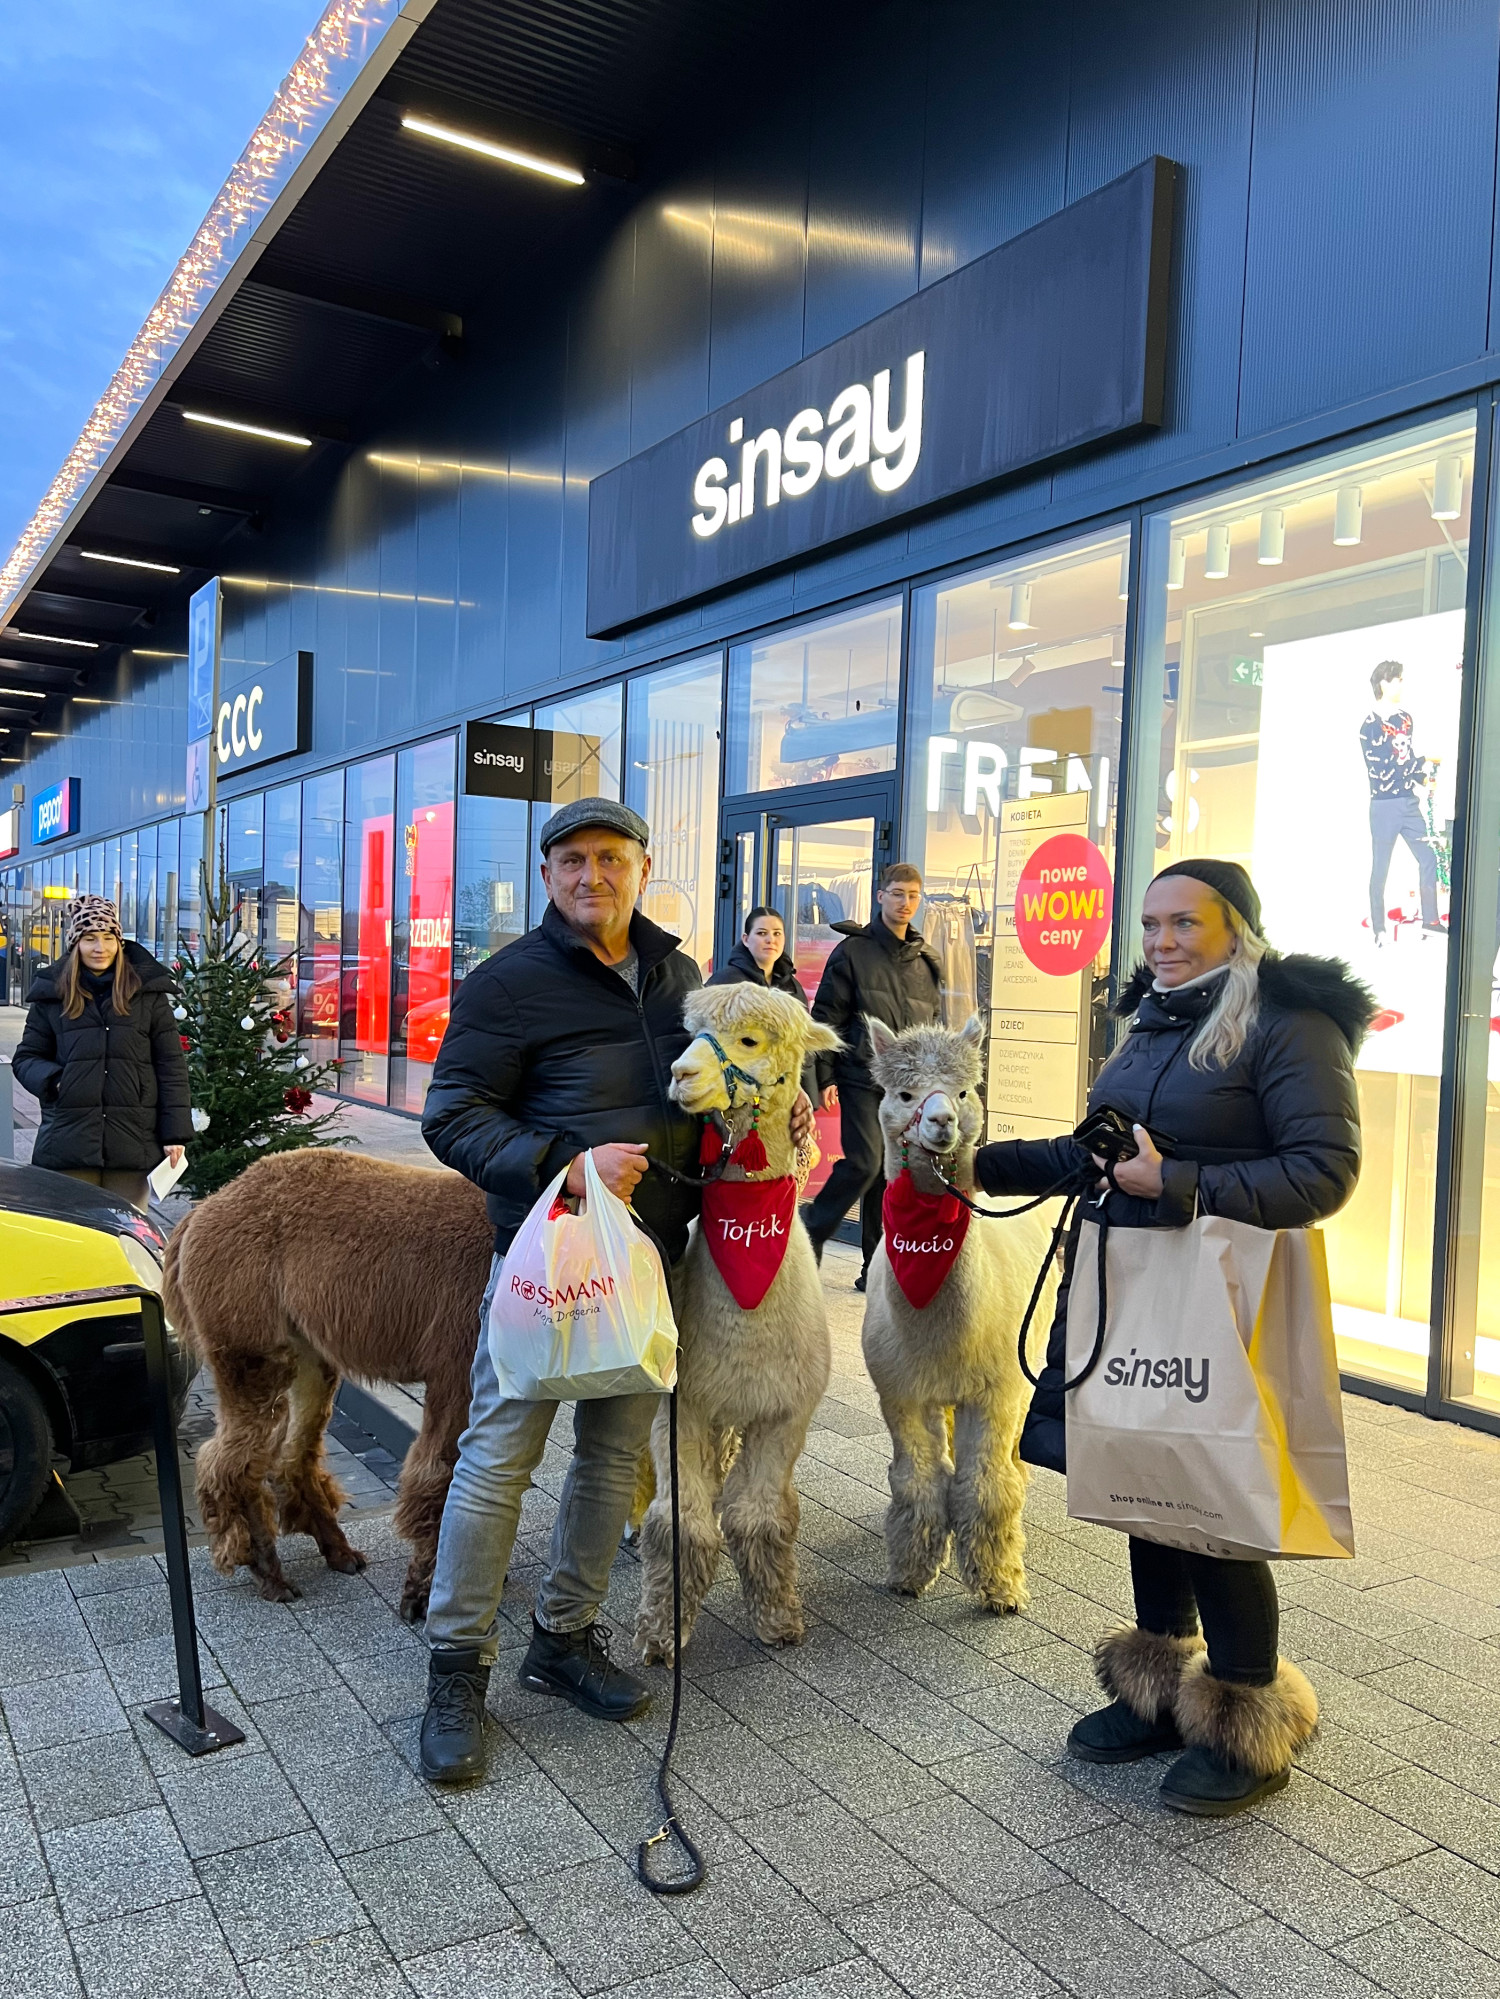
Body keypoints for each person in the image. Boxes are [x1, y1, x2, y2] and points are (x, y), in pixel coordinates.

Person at [416, 798, 813, 1784]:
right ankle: (457, 1668)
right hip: (546, 1261)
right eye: (572, 860)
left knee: (609, 1462)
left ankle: (563, 1638)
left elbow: (710, 1087)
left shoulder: (680, 978)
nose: (592, 875)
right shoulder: (508, 984)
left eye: (610, 858)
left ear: (642, 867)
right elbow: (450, 1114)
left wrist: (773, 1109)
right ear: (548, 874)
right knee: (497, 1459)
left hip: (649, 1264)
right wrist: (565, 1163)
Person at [972, 859, 1374, 1816]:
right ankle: (1158, 1687)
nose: (1160, 941)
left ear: (1237, 925)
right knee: (1144, 1484)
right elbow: (1098, 1151)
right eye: (1151, 923)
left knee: (1211, 1497)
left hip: (1221, 1300)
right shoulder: (1151, 1020)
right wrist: (978, 1164)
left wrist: (1178, 1182)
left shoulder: (1287, 1021)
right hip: (1133, 1287)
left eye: (1183, 922)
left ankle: (1246, 1719)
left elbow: (1324, 1170)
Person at [802, 862, 942, 1289]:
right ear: (880, 896)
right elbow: (827, 1016)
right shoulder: (853, 952)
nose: (905, 902)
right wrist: (826, 1076)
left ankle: (874, 1268)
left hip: (907, 1088)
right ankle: (810, 1231)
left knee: (888, 1174)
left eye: (913, 895)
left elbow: (934, 1026)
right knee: (864, 1162)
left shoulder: (926, 962)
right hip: (860, 1077)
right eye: (897, 893)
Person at [13, 895, 191, 1212]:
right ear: (75, 944)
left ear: (119, 941)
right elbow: (26, 1058)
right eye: (90, 938)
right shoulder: (52, 994)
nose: (100, 948)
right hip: (69, 1143)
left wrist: (174, 1133)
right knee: (72, 1233)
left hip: (133, 1143)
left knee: (125, 1234)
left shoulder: (147, 993)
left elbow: (171, 1066)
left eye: (108, 938)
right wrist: (57, 1081)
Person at [1361, 658, 1441, 942]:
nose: (1402, 685)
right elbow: (1384, 768)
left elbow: (1406, 758)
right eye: (1399, 680)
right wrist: (1421, 764)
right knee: (1381, 867)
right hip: (1384, 805)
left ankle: (1430, 920)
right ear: (1385, 683)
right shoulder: (1370, 726)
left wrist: (1423, 776)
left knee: (1428, 857)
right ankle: (1379, 928)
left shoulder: (1405, 719)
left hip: (1408, 802)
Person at [708, 905, 809, 1003]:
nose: (770, 940)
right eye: (762, 933)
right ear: (746, 940)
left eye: (777, 933)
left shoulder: (793, 987)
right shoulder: (724, 984)